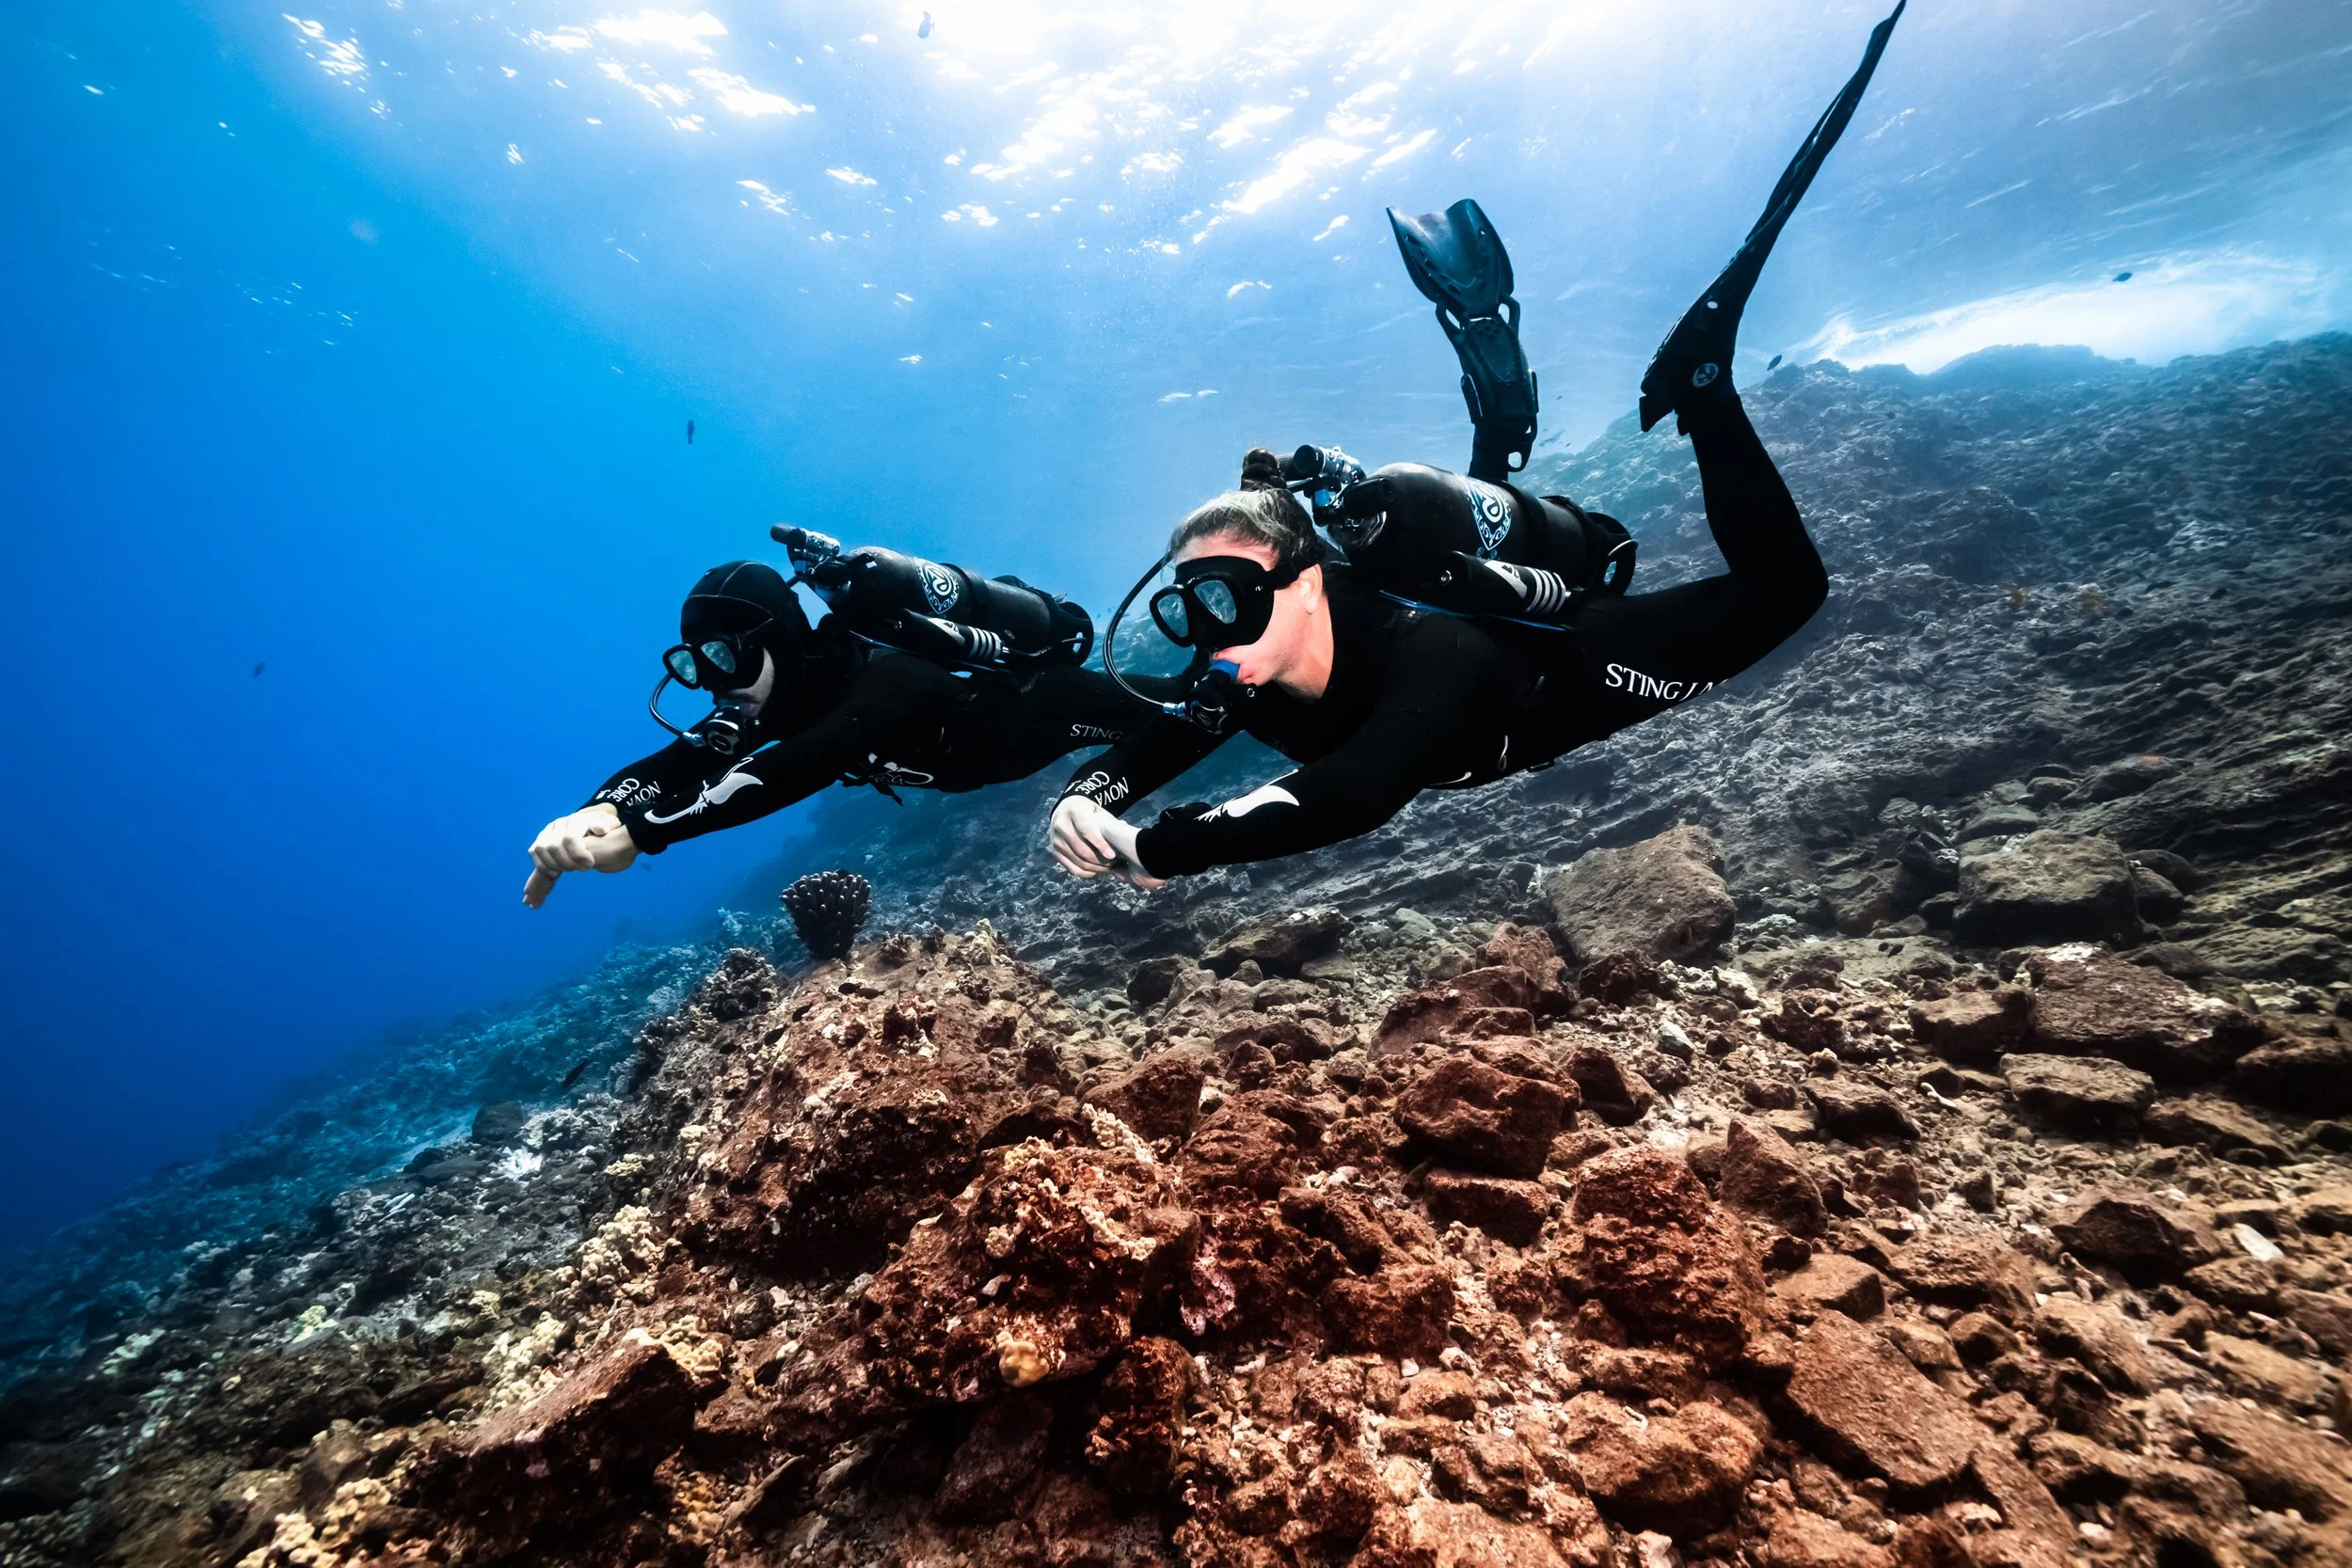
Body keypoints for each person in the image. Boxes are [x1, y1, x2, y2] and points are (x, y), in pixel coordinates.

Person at [1047, 6, 1901, 889]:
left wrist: (1165, 846)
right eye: (1188, 607)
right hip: (1450, 624)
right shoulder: (1248, 660)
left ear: (1306, 583)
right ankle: (1499, 429)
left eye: (1222, 594)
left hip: (1565, 664)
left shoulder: (1429, 650)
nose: (1208, 633)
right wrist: (1089, 791)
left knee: (1789, 590)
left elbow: (1362, 788)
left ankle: (1701, 385)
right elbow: (1173, 733)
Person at [525, 553, 1166, 907]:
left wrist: (642, 832)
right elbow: (677, 763)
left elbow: (807, 761)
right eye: (697, 663)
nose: (715, 682)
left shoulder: (887, 674)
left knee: (1198, 713)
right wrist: (593, 812)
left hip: (1042, 711)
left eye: (726, 656)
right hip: (980, 760)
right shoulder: (775, 690)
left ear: (773, 640)